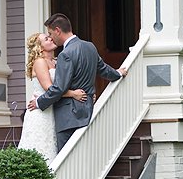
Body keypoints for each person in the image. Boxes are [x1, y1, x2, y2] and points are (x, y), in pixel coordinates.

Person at [27, 14, 127, 152]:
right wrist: (118, 73)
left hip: (68, 116)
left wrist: (39, 102)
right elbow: (103, 69)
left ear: (57, 30)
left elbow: (59, 88)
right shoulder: (89, 46)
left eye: (50, 33)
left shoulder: (65, 54)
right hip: (87, 109)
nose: (51, 37)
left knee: (66, 158)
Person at [18, 32, 88, 163]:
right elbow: (49, 89)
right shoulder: (39, 62)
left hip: (55, 111)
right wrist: (73, 94)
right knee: (40, 147)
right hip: (41, 112)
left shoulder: (57, 61)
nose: (51, 38)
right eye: (46, 39)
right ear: (40, 47)